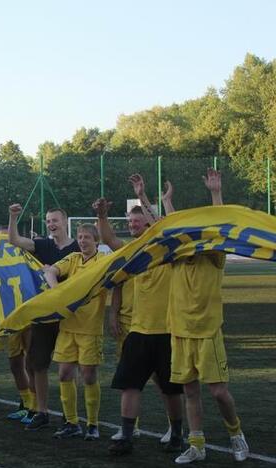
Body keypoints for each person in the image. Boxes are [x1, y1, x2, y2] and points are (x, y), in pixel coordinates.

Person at [96, 175, 184, 456]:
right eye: (131, 222)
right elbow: (108, 237)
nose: (134, 226)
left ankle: (178, 434)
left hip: (168, 330)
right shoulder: (132, 252)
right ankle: (126, 436)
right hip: (138, 330)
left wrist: (145, 197)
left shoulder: (169, 251)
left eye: (139, 221)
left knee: (171, 390)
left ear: (149, 225)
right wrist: (102, 215)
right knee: (129, 385)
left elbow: (164, 226)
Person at [168, 169, 249, 464]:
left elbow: (223, 228)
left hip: (207, 331)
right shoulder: (174, 258)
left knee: (217, 392)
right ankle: (197, 444)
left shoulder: (214, 255)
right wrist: (163, 202)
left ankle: (236, 433)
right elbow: (165, 228)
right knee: (190, 391)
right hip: (179, 330)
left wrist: (216, 194)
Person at [8, 203, 80, 430]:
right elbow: (15, 241)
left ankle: (72, 417)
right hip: (46, 314)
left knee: (68, 367)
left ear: (65, 222)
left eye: (55, 220)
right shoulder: (43, 244)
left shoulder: (78, 246)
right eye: (48, 221)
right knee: (37, 363)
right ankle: (42, 411)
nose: (51, 224)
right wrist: (13, 217)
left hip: (71, 316)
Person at [44, 224, 106, 441]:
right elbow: (50, 271)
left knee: (88, 376)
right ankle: (71, 423)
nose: (82, 240)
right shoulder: (73, 259)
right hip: (68, 326)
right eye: (80, 237)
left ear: (96, 241)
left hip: (90, 328)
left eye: (87, 237)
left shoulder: (103, 262)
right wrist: (57, 291)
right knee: (64, 374)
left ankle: (92, 424)